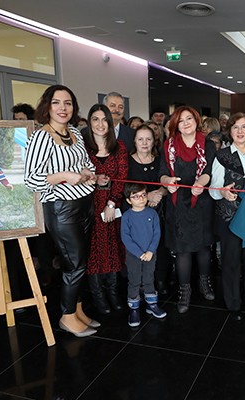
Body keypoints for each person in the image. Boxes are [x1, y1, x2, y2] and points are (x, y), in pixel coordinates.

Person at [24, 84, 99, 337]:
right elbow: (31, 179)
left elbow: (85, 163)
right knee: (74, 264)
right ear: (47, 106)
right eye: (56, 102)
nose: (62, 108)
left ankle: (77, 310)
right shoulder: (41, 137)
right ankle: (67, 317)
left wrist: (87, 173)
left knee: (81, 262)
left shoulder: (75, 132)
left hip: (85, 203)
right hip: (61, 208)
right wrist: (63, 176)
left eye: (68, 103)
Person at [210, 112, 245, 321]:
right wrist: (223, 192)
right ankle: (233, 303)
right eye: (236, 127)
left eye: (244, 127)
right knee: (231, 262)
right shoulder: (221, 156)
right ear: (230, 131)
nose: (240, 131)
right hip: (230, 218)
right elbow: (213, 188)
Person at [160, 106, 216, 313]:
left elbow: (208, 171)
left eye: (189, 118)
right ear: (176, 125)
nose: (185, 123)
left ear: (196, 120)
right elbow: (162, 172)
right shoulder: (169, 145)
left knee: (203, 247)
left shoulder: (207, 144)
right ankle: (184, 290)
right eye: (181, 120)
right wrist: (167, 181)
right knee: (182, 249)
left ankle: (204, 283)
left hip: (201, 201)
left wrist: (200, 183)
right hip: (178, 203)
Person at [82, 104, 128, 315]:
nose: (100, 124)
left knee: (112, 248)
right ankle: (98, 295)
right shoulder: (82, 146)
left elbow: (121, 178)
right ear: (89, 122)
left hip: (111, 206)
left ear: (110, 123)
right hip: (88, 206)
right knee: (93, 251)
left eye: (104, 119)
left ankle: (113, 292)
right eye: (95, 119)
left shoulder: (119, 147)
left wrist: (112, 203)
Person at [126, 125, 170, 295]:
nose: (144, 143)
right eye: (140, 139)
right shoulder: (128, 162)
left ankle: (160, 280)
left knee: (160, 247)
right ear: (134, 141)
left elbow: (167, 184)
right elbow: (125, 189)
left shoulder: (160, 161)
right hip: (135, 216)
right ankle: (139, 284)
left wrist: (159, 193)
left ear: (154, 141)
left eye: (148, 139)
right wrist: (147, 196)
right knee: (138, 249)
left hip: (158, 213)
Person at [121, 182, 165, 327]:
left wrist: (151, 251)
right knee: (134, 280)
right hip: (134, 256)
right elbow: (126, 238)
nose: (140, 199)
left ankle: (152, 305)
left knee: (149, 278)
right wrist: (139, 253)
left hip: (150, 255)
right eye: (136, 196)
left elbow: (157, 234)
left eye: (143, 195)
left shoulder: (152, 213)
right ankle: (134, 309)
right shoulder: (127, 216)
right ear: (129, 200)